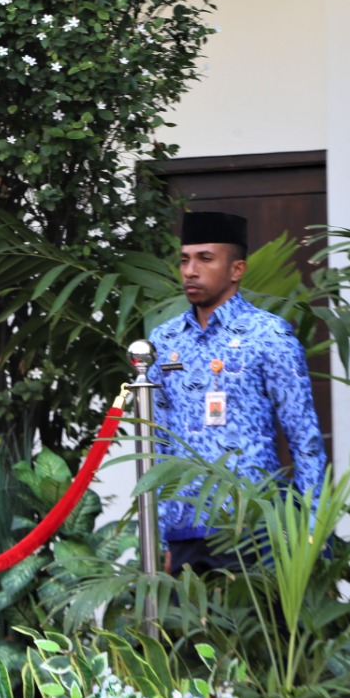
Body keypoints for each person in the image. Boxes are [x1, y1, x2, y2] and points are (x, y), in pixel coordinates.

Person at [146, 212, 327, 575]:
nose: (190, 271)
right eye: (185, 260)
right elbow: (159, 444)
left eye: (205, 259)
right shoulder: (163, 340)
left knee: (255, 614)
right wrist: (161, 535)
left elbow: (304, 439)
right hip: (183, 528)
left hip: (253, 526)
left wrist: (311, 532)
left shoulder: (269, 335)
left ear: (237, 269)